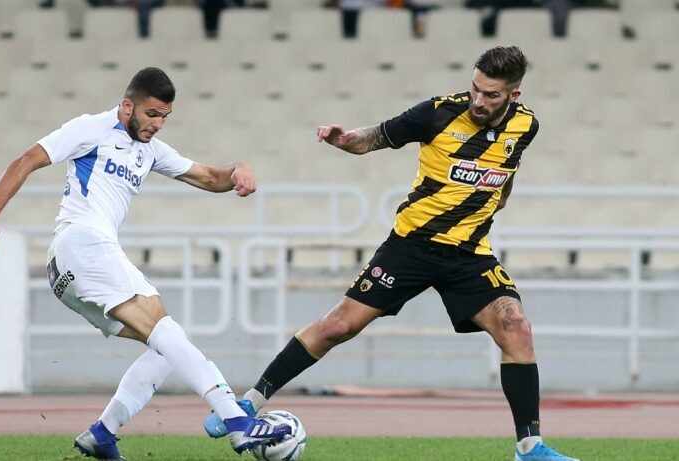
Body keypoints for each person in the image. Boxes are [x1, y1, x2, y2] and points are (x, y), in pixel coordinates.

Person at [204, 46, 580, 461]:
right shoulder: (437, 113)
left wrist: (498, 198)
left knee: (516, 327)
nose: (478, 100)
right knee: (338, 327)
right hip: (411, 246)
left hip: (469, 254)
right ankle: (247, 405)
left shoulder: (526, 126)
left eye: (491, 95)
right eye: (475, 88)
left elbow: (507, 170)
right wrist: (343, 140)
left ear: (513, 95)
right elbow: (375, 138)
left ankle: (529, 448)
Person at [0, 67, 290, 460]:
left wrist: (238, 170)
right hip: (83, 242)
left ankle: (102, 434)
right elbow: (27, 159)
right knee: (167, 331)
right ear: (128, 106)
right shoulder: (91, 128)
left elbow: (210, 178)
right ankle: (237, 420)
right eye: (151, 114)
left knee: (166, 348)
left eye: (165, 117)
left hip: (67, 271)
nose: (157, 124)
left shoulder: (150, 150)